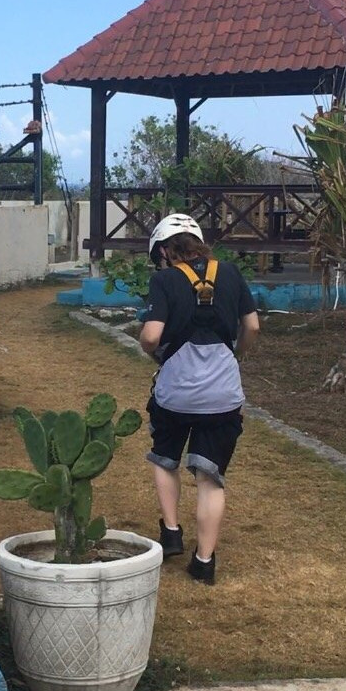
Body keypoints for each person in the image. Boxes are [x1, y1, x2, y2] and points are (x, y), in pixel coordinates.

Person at [139, 213, 260, 585]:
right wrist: (237, 355)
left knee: (165, 458)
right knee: (210, 479)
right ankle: (204, 562)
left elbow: (151, 336)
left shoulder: (163, 280)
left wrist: (148, 350)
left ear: (163, 250)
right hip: (223, 395)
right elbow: (252, 326)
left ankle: (171, 531)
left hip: (175, 394)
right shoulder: (231, 273)